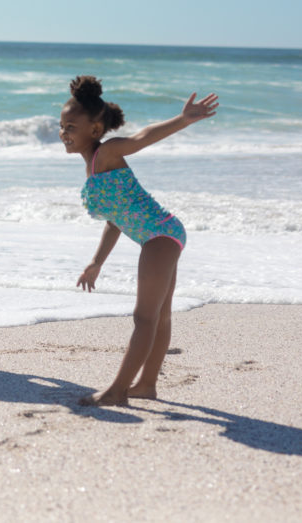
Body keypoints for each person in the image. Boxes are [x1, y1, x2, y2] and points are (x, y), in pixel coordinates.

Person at [59, 75, 218, 406]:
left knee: (144, 318)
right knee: (159, 317)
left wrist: (183, 119)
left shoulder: (108, 152)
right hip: (163, 235)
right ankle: (146, 385)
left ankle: (118, 390)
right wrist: (96, 262)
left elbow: (143, 138)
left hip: (160, 235)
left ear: (95, 128)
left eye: (71, 126)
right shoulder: (92, 165)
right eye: (62, 126)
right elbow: (116, 221)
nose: (64, 133)